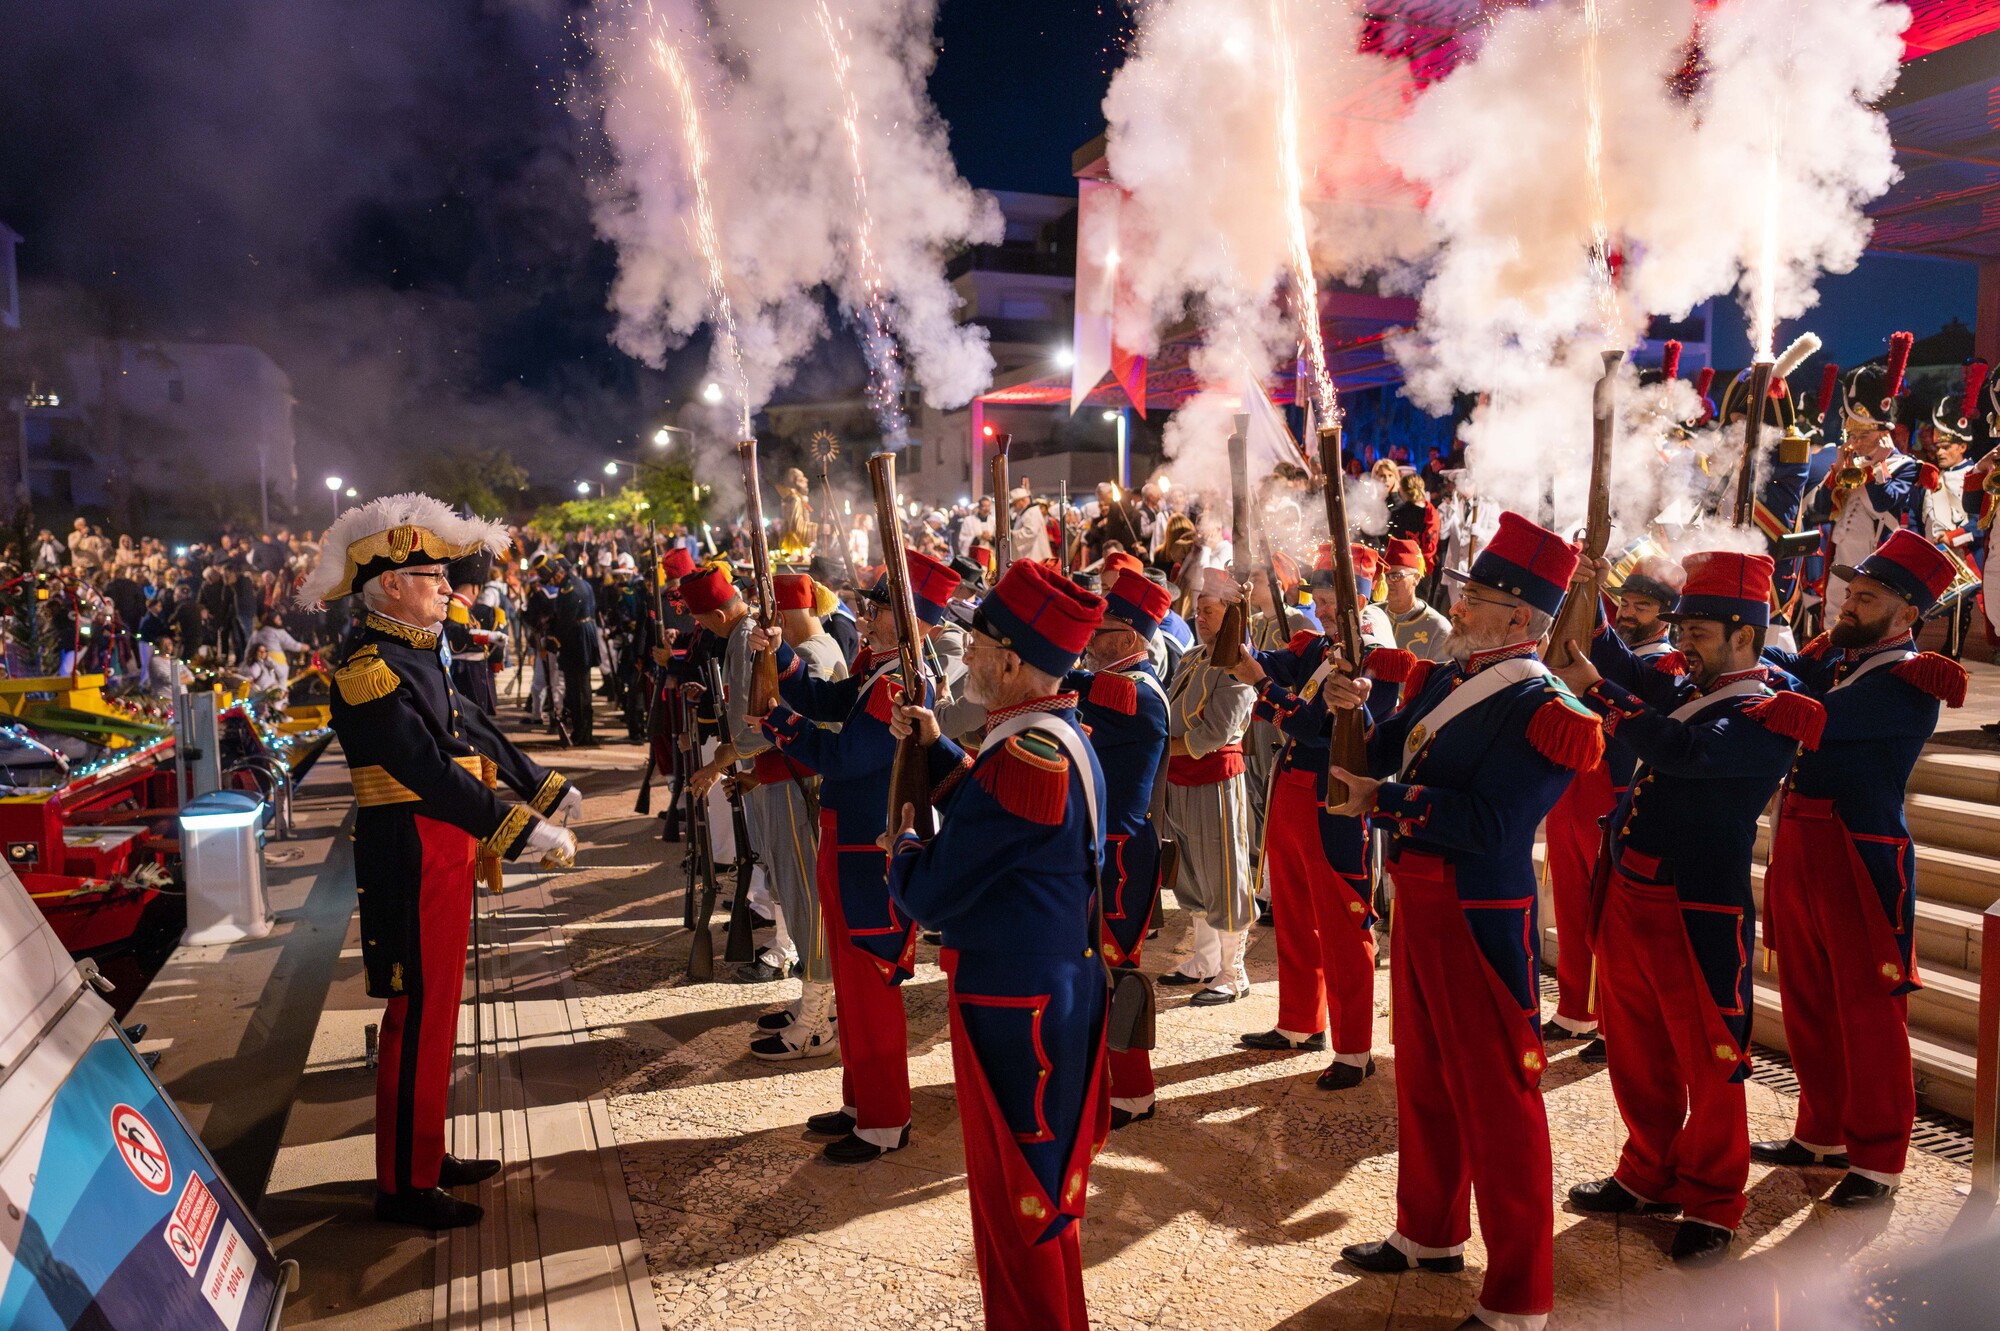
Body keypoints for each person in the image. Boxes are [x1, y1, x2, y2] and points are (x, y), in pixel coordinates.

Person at [1325, 511, 1603, 1331]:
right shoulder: (1445, 680)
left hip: (1481, 909)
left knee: (1498, 1098)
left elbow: (1491, 823)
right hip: (1422, 894)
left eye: (1475, 597)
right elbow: (1387, 754)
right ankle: (1429, 1232)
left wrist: (1392, 800)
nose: (1461, 608)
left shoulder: (1549, 709)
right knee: (1423, 1075)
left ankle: (1519, 1295)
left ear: (1520, 617)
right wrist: (1352, 708)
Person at [299, 494, 578, 1230]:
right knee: (415, 1013)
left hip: (442, 845)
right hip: (411, 849)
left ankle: (426, 1152)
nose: (447, 588)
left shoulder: (412, 653)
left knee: (438, 1011)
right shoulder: (370, 668)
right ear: (388, 584)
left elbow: (473, 726)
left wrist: (543, 784)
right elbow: (429, 768)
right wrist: (520, 828)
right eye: (431, 575)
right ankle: (401, 1183)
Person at [1550, 551, 1823, 1265]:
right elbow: (1621, 663)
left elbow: (1687, 752)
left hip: (1693, 907)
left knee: (1711, 1064)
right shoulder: (1688, 678)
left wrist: (1602, 695)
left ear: (1744, 635)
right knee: (1637, 1052)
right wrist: (1589, 592)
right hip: (1633, 893)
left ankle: (1712, 1200)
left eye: (1697, 632)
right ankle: (1648, 1172)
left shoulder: (1774, 707)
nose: (1681, 645)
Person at [883, 559, 1110, 1331]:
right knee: (1034, 1199)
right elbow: (999, 813)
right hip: (1041, 989)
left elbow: (932, 890)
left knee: (1022, 1203)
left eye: (976, 643)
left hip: (1016, 1005)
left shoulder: (1026, 757)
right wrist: (938, 749)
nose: (966, 657)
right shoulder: (1047, 736)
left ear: (1011, 660)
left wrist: (904, 844)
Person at [1755, 529, 1967, 1207]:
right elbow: (1803, 681)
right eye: (1850, 592)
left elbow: (1814, 715)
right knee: (1807, 993)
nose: (1847, 604)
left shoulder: (1910, 683)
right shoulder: (1845, 660)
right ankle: (1821, 1132)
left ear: (1907, 615)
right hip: (1805, 838)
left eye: (1865, 597)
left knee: (1869, 1012)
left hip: (1858, 851)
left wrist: (1752, 660)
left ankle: (1879, 1158)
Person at [751, 549, 962, 1164]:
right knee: (848, 972)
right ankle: (858, 1100)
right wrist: (780, 657)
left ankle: (885, 1118)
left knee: (871, 977)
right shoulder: (881, 665)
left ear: (913, 621)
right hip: (846, 828)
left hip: (871, 838)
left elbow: (845, 757)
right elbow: (827, 700)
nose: (865, 614)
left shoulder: (904, 679)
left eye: (880, 607)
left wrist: (776, 726)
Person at [1228, 558, 1411, 1089]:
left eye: (1334, 600)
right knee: (1291, 911)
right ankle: (1300, 1022)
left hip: (1335, 799)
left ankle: (1355, 1049)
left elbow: (1326, 732)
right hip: (1292, 790)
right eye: (1322, 598)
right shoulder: (1319, 648)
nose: (1324, 608)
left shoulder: (1379, 662)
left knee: (1341, 921)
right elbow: (1268, 664)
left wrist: (1261, 683)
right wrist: (1236, 615)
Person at [1540, 553, 1685, 1059]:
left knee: (1609, 913)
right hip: (1577, 784)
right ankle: (1577, 1008)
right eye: (1624, 602)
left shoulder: (1665, 662)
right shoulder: (1620, 650)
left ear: (1666, 614)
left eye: (1641, 606)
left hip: (1617, 788)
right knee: (1575, 905)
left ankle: (1611, 1022)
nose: (1627, 612)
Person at [1063, 568, 1171, 1128]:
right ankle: (1105, 1080)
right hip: (1105, 850)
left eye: (1099, 631)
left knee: (1115, 971)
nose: (1088, 641)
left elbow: (1069, 685)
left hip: (1121, 856)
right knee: (1095, 970)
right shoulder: (1118, 685)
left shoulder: (1133, 693)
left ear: (1129, 640)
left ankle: (1132, 1091)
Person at [1160, 566, 1257, 1006]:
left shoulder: (1237, 665)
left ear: (1231, 613)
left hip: (1214, 776)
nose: (1200, 616)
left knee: (1224, 872)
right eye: (1198, 609)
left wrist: (1168, 747)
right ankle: (1203, 959)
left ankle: (1232, 972)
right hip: (1181, 775)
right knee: (1192, 873)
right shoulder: (1194, 655)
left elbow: (1216, 732)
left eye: (1210, 609)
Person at [1808, 340, 1930, 623]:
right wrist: (1837, 470)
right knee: (1833, 624)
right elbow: (1820, 510)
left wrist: (1878, 465)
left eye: (1862, 436)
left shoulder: (1905, 466)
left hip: (1877, 565)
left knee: (1867, 628)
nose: (1856, 443)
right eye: (1852, 436)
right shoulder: (1849, 462)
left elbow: (1882, 503)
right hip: (1840, 561)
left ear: (1883, 433)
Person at [1381, 537, 1450, 661]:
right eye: (1384, 575)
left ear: (1416, 578)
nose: (1388, 581)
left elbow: (1442, 677)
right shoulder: (1372, 615)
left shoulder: (1438, 627)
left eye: (1396, 576)